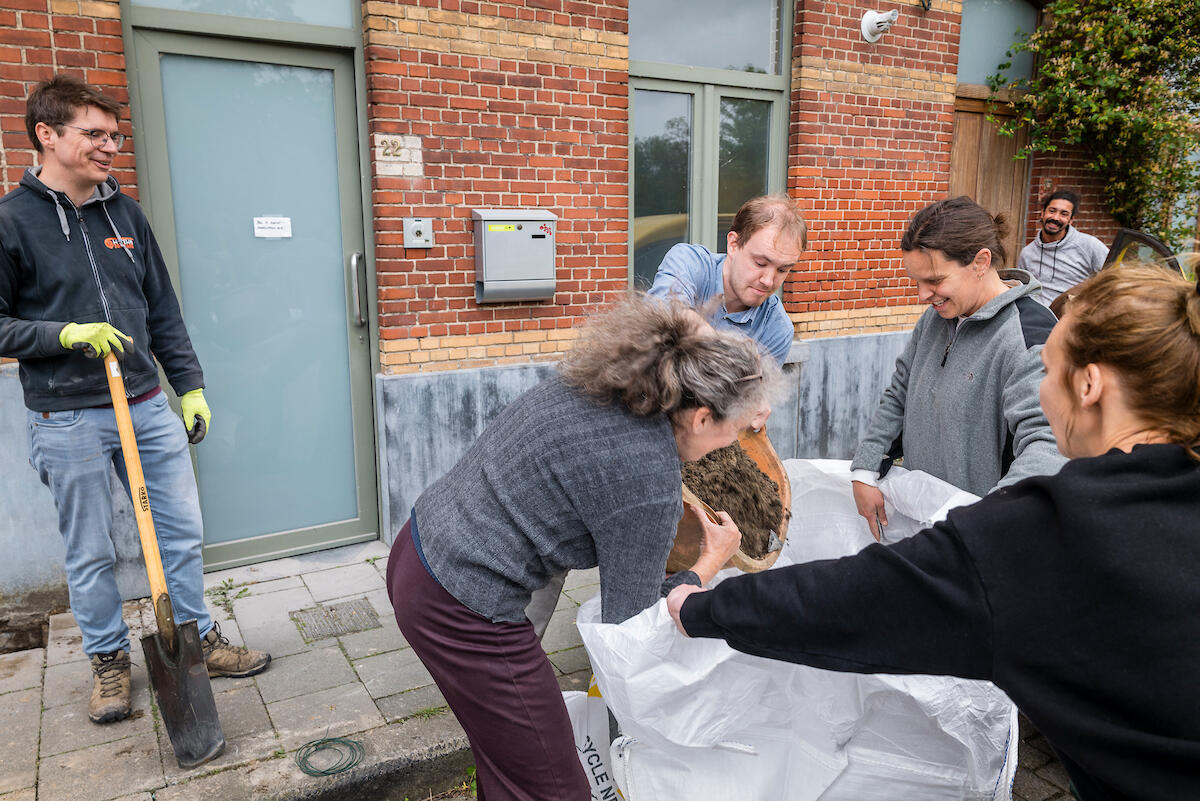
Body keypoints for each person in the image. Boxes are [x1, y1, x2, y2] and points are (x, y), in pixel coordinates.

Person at [669, 262, 1200, 800]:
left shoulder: (1049, 537)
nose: (1039, 392)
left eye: (1046, 368)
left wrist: (698, 607)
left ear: (1089, 386)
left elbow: (851, 599)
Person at [386, 295, 777, 801]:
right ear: (701, 418)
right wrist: (707, 564)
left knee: (507, 761)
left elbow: (686, 326)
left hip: (419, 546)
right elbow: (628, 624)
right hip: (462, 606)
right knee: (556, 787)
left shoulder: (612, 383)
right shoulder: (649, 476)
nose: (732, 444)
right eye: (734, 429)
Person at [0, 75, 270, 725]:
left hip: (147, 402)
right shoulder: (13, 222)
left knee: (180, 531)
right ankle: (108, 662)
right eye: (94, 134)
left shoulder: (126, 214)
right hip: (67, 413)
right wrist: (61, 333)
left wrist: (191, 386)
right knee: (90, 549)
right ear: (47, 135)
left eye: (115, 135)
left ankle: (197, 638)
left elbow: (163, 312)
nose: (110, 146)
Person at [850, 196, 1065, 540]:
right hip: (925, 523)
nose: (922, 295)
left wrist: (988, 522)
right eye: (916, 281)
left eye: (933, 280)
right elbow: (900, 393)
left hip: (980, 538)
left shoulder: (1031, 337)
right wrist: (866, 467)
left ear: (981, 261)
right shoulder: (936, 319)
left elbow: (1048, 445)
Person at [647, 194, 807, 366]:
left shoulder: (777, 329)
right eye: (760, 263)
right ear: (733, 244)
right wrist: (726, 352)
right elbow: (663, 310)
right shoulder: (689, 263)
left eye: (782, 270)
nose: (768, 281)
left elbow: (753, 391)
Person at [1017, 189, 1109, 307]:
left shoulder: (1090, 246)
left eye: (1064, 214)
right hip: (1037, 318)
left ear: (1071, 220)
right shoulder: (1027, 253)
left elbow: (1114, 277)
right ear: (1042, 213)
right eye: (1052, 211)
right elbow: (1023, 292)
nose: (1055, 217)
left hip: (1072, 317)